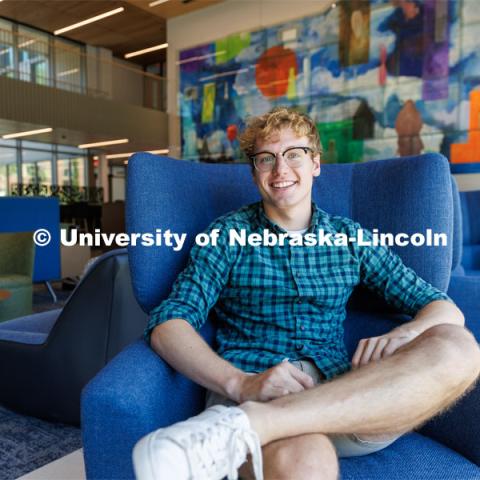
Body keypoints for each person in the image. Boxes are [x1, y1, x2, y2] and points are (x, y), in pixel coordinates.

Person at [132, 108, 480, 480]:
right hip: (256, 383)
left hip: (347, 397)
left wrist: (405, 333)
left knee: (458, 346)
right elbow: (169, 323)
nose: (281, 171)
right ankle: (251, 421)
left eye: (294, 154)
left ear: (315, 163)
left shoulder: (350, 238)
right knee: (308, 459)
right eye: (266, 159)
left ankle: (248, 426)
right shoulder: (225, 236)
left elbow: (443, 308)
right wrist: (241, 384)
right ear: (254, 172)